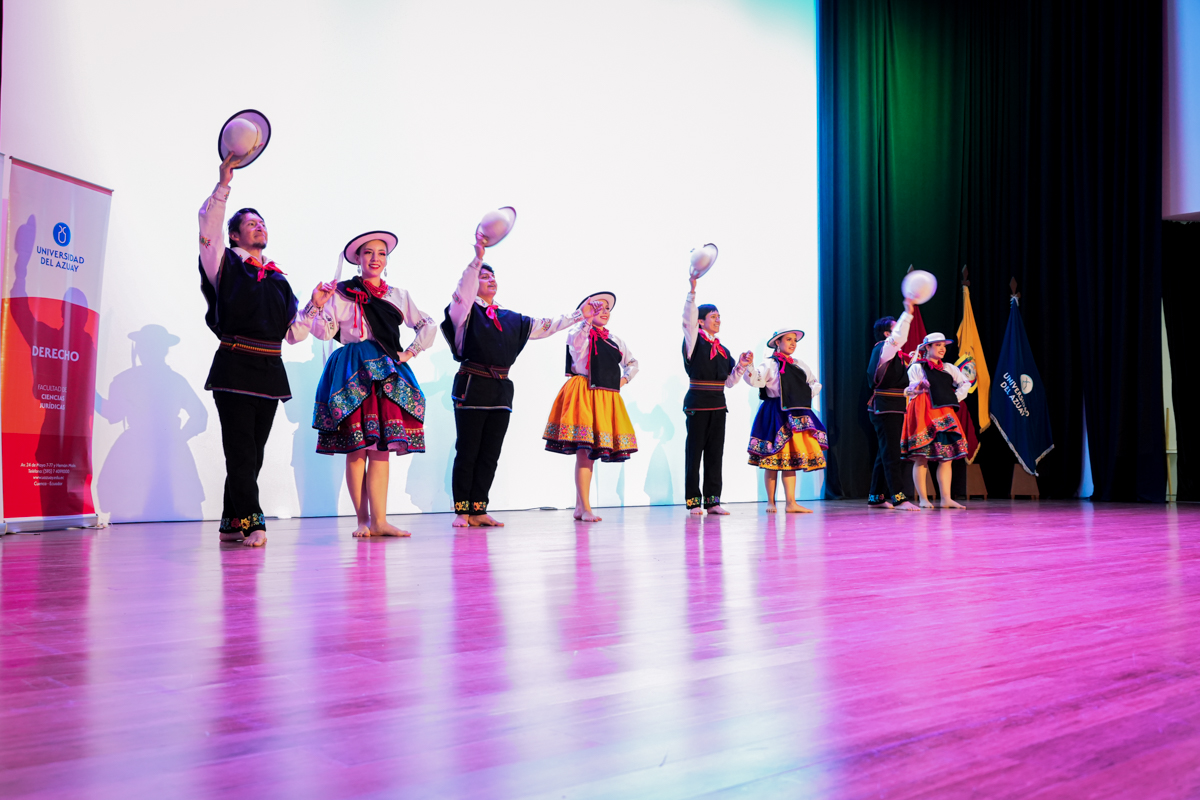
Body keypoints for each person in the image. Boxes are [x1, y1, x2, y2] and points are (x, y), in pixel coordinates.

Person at [297, 231, 436, 537]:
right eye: (369, 253)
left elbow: (427, 324)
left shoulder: (398, 295)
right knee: (357, 448)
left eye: (381, 253)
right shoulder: (341, 292)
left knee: (380, 449)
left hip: (385, 371)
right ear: (357, 259)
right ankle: (363, 520)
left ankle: (381, 521)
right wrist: (318, 306)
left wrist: (410, 352)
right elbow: (324, 332)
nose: (375, 258)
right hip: (351, 370)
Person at [198, 151, 304, 547]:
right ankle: (253, 522)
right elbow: (208, 226)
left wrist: (314, 306)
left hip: (270, 372)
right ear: (235, 236)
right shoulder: (223, 263)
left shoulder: (278, 280)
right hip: (235, 367)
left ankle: (230, 523)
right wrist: (223, 185)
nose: (259, 227)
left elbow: (294, 334)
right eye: (250, 224)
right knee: (241, 452)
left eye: (262, 223)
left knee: (253, 455)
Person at [441, 237, 584, 527]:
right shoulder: (463, 311)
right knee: (468, 450)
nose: (490, 279)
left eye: (492, 276)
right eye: (484, 276)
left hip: (501, 390)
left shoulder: (511, 318)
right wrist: (477, 261)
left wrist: (581, 314)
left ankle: (479, 509)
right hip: (472, 385)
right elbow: (463, 290)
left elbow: (547, 325)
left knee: (490, 453)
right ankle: (462, 510)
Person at [543, 292, 639, 522]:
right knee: (584, 452)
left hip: (605, 396)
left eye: (607, 309)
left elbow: (633, 363)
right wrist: (584, 320)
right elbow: (576, 345)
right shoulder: (579, 333)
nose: (604, 312)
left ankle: (581, 507)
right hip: (584, 393)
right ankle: (585, 507)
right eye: (598, 307)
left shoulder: (615, 340)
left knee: (590, 453)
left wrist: (622, 381)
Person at [682, 275, 751, 515]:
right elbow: (687, 320)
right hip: (698, 403)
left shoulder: (723, 349)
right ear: (700, 322)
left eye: (719, 316)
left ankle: (712, 501)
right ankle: (693, 501)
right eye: (713, 316)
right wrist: (692, 292)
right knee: (694, 453)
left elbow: (729, 382)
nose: (718, 319)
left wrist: (741, 365)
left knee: (715, 453)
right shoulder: (693, 341)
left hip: (718, 405)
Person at [744, 330, 826, 513]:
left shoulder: (799, 365)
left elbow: (814, 383)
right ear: (777, 343)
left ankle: (791, 503)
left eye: (794, 340)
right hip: (775, 412)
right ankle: (770, 502)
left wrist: (802, 395)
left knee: (790, 459)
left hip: (794, 413)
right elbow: (757, 381)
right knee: (772, 458)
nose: (793, 343)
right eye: (788, 340)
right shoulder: (770, 364)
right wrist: (749, 366)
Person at [901, 332, 970, 509]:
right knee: (921, 457)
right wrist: (919, 387)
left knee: (947, 456)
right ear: (927, 348)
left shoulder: (949, 368)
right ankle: (923, 499)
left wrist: (954, 398)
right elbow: (909, 389)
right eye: (938, 345)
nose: (942, 349)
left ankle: (946, 498)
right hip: (923, 411)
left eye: (944, 346)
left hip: (944, 412)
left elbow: (965, 383)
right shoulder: (918, 367)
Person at [867, 301, 920, 511]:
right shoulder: (885, 349)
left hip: (892, 406)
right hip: (885, 407)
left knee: (884, 453)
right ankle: (899, 498)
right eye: (895, 327)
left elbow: (895, 384)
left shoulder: (892, 356)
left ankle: (876, 497)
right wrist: (907, 314)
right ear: (887, 334)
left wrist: (912, 389)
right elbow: (899, 337)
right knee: (891, 454)